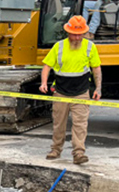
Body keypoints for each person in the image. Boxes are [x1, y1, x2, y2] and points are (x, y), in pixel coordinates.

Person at [39, 15, 102, 165]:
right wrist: (43, 83)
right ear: (68, 32)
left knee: (80, 124)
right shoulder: (59, 46)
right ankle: (55, 149)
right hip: (61, 91)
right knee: (58, 123)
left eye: (80, 34)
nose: (77, 37)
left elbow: (96, 68)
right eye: (74, 34)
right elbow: (47, 66)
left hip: (81, 92)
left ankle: (79, 153)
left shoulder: (90, 47)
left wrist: (98, 88)